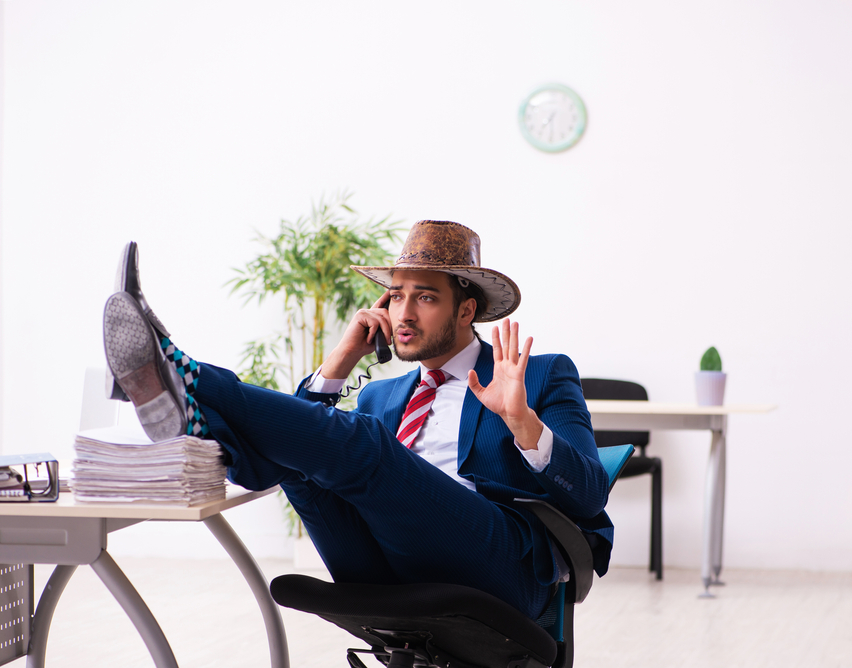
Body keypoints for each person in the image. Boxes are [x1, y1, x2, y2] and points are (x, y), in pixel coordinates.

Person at [102, 220, 613, 620]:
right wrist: (338, 364)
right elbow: (299, 437)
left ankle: (184, 377)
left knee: (364, 444)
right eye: (396, 294)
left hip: (499, 566)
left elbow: (588, 492)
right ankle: (190, 413)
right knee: (300, 464)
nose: (404, 312)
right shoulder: (383, 396)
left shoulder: (539, 375)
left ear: (466, 312)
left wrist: (522, 420)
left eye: (426, 297)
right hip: (381, 563)